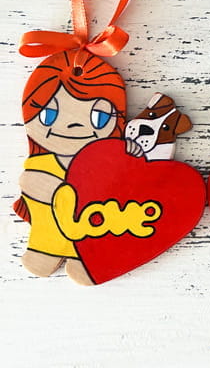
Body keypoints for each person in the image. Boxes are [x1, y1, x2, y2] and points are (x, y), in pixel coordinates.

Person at [14, 49, 127, 284]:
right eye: (49, 114)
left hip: (88, 244)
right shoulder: (41, 163)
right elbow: (31, 182)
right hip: (45, 240)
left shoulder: (102, 168)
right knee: (43, 253)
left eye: (99, 117)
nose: (74, 125)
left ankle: (84, 258)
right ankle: (46, 253)